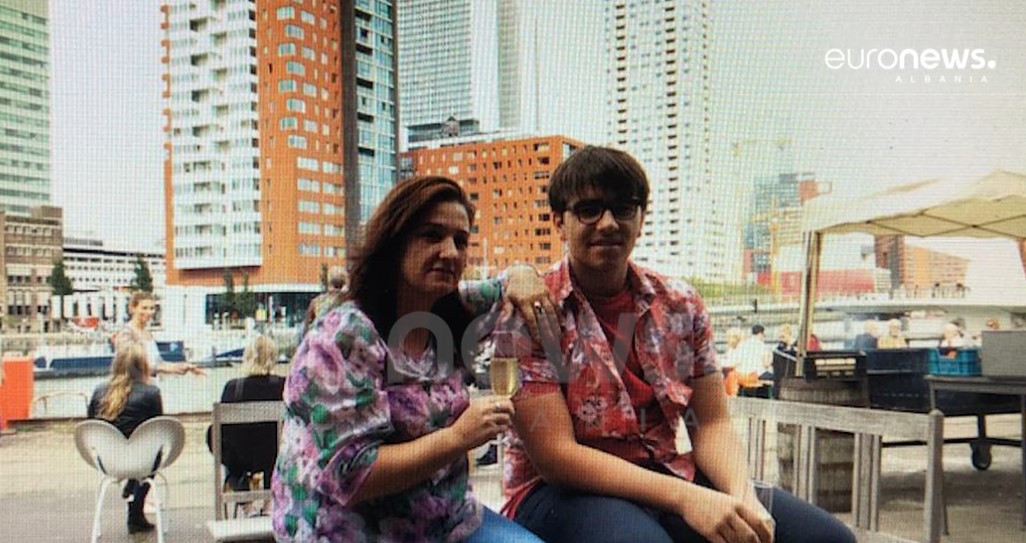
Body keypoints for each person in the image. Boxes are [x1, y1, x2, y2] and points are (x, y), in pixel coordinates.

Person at [501, 145, 855, 543]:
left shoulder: (680, 305)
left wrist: (742, 495)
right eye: (589, 210)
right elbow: (556, 457)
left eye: (623, 209)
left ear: (640, 220)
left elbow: (711, 423)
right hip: (560, 492)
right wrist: (688, 499)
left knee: (825, 538)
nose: (608, 223)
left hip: (665, 471)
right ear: (559, 222)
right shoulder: (531, 310)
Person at [271, 176, 546, 542]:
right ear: (394, 243)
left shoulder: (451, 309)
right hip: (349, 532)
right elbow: (352, 475)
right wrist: (458, 437)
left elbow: (510, 282)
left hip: (446, 523)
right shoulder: (344, 336)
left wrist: (524, 275)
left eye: (460, 241)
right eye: (431, 235)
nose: (450, 252)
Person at [87, 340, 163, 534]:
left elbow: (90, 426)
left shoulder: (99, 391)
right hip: (142, 461)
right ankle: (135, 510)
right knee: (155, 452)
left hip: (109, 462)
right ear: (143, 366)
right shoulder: (152, 393)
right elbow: (159, 430)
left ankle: (131, 489)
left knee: (139, 450)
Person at [205, 335, 285, 516]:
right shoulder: (283, 385)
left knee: (220, 439)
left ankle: (246, 503)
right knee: (275, 444)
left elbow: (223, 433)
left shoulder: (232, 387)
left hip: (240, 458)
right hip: (275, 456)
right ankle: (269, 502)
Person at [115, 291, 205, 377]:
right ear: (132, 309)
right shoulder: (127, 332)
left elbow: (158, 363)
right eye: (144, 308)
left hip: (150, 383)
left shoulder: (147, 333)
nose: (149, 312)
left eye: (152, 308)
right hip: (135, 385)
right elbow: (129, 365)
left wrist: (182, 367)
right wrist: (161, 369)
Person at [299, 266, 348, 339]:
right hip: (340, 340)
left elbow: (306, 328)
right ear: (344, 282)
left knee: (301, 327)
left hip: (318, 340)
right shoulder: (348, 301)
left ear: (328, 282)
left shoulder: (317, 301)